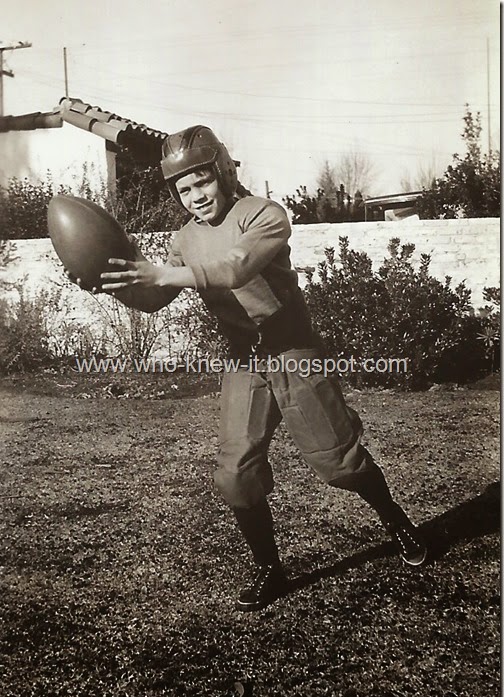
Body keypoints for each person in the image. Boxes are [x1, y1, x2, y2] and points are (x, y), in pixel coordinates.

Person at [95, 125, 427, 612]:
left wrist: (164, 272)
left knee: (338, 462)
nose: (195, 196)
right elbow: (156, 296)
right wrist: (107, 279)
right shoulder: (184, 239)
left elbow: (236, 269)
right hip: (243, 358)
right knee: (235, 471)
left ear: (223, 173)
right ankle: (270, 569)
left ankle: (396, 519)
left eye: (202, 181)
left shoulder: (265, 214)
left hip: (292, 350)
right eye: (183, 189)